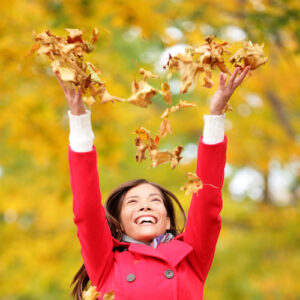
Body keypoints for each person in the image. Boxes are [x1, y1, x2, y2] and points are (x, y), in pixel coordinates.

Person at [55, 65, 250, 300]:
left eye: (154, 200)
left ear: (167, 221)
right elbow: (86, 209)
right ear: (119, 225)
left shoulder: (191, 257)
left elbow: (207, 199)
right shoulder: (106, 262)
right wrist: (78, 118)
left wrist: (216, 114)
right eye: (133, 202)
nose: (145, 206)